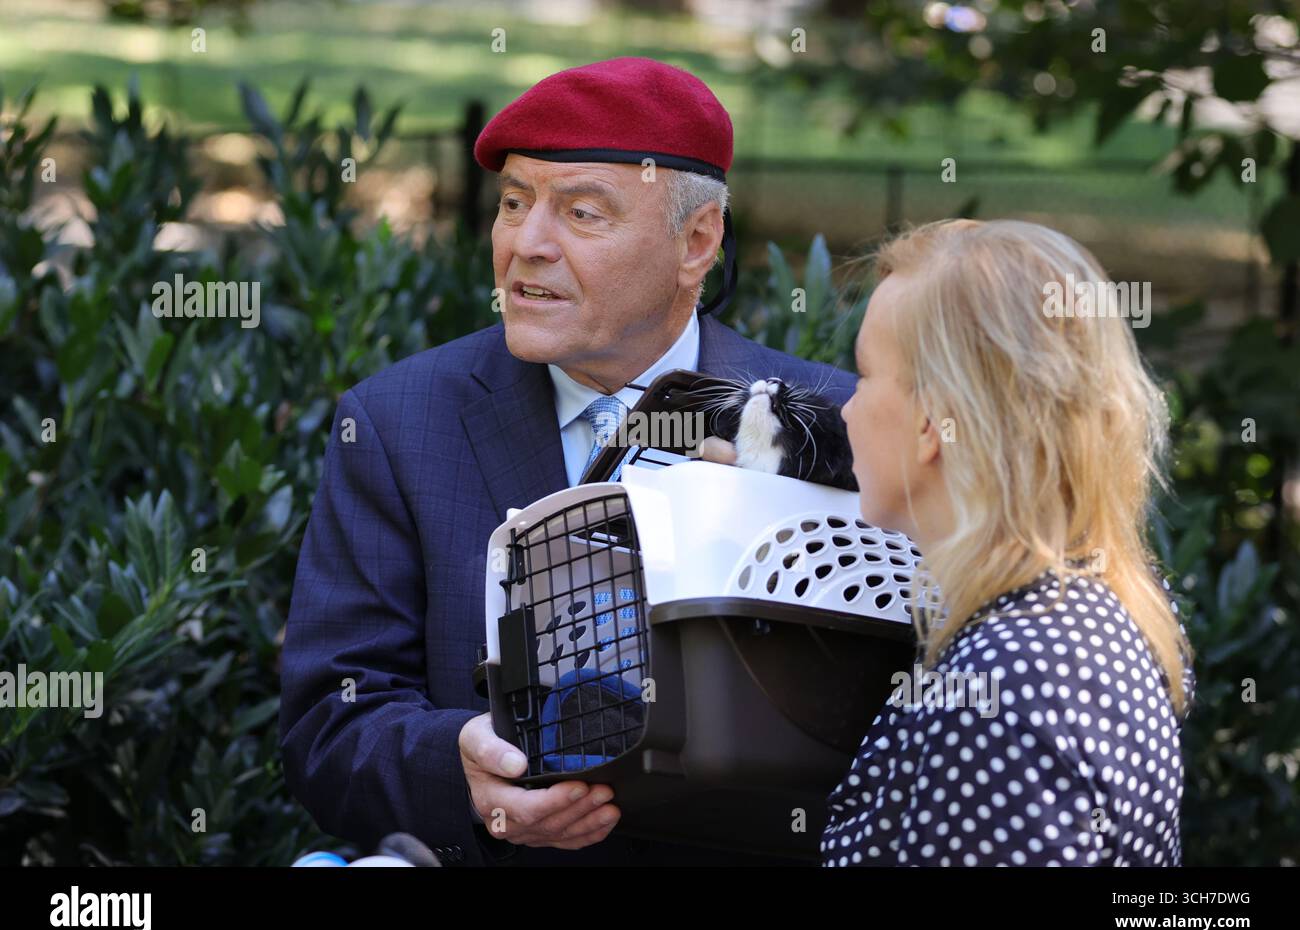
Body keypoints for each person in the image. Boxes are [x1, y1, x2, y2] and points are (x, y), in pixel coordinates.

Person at [277, 56, 855, 866]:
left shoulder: (831, 421)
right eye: (514, 204)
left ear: (697, 242)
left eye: (581, 213)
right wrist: (465, 772)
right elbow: (329, 726)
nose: (527, 245)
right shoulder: (398, 423)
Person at [707, 218, 1196, 865]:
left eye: (866, 375)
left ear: (935, 423)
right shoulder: (1093, 606)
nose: (847, 407)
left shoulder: (1007, 687)